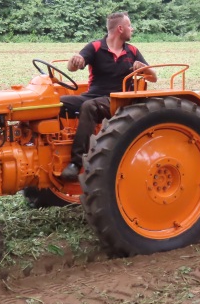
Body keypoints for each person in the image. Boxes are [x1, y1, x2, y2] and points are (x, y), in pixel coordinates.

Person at [59, 11, 157, 181]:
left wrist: (144, 69)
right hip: (93, 96)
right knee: (58, 103)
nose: (132, 29)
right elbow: (72, 67)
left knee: (89, 107)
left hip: (120, 101)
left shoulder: (132, 51)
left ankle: (76, 163)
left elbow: (153, 77)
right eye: (129, 25)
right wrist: (74, 60)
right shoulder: (96, 47)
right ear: (120, 28)